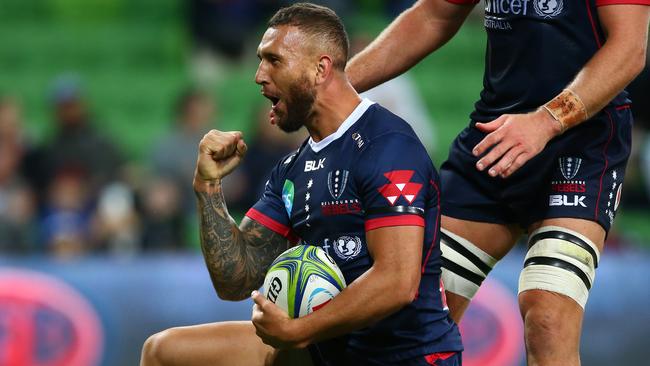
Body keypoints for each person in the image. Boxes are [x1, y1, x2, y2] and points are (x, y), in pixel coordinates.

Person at [141, 3, 462, 366]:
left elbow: (397, 283)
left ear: (320, 68)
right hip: (327, 345)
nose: (258, 75)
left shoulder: (387, 145)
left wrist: (300, 330)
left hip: (403, 355)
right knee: (163, 352)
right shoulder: (292, 168)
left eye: (273, 60)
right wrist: (207, 186)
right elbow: (235, 278)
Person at [345, 1, 650, 365]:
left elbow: (630, 49)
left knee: (548, 318)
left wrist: (546, 122)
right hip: (496, 136)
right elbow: (434, 14)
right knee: (417, 315)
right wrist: (335, 88)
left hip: (582, 145)